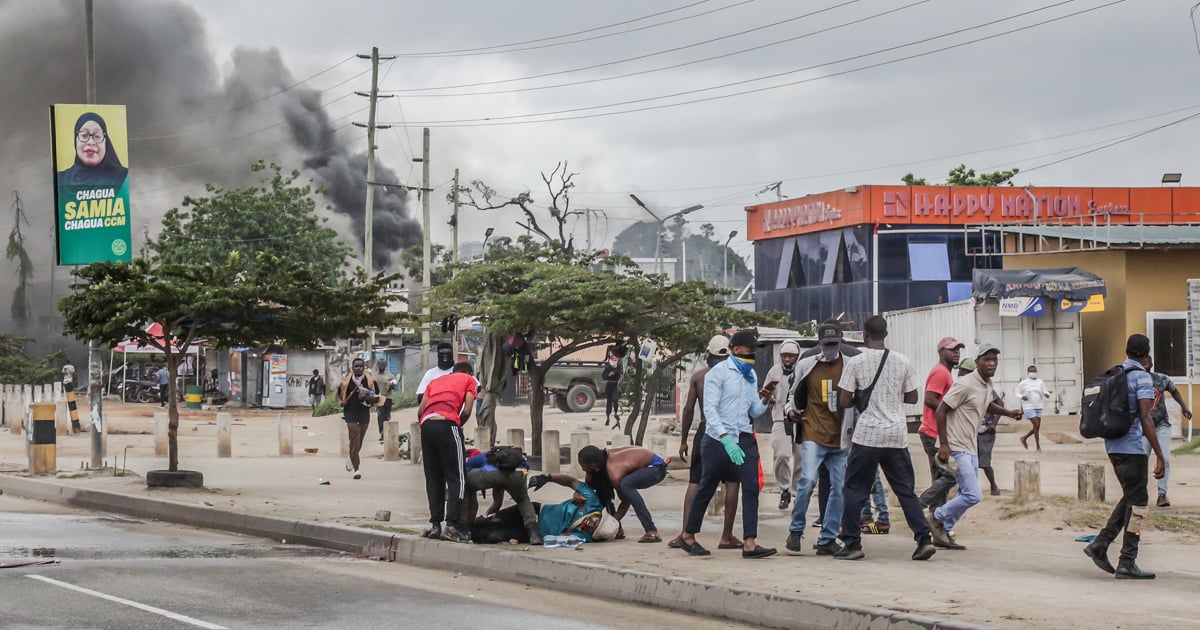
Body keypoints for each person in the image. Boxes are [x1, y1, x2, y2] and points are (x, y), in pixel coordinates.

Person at [835, 315, 935, 562]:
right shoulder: (902, 361)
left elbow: (844, 401)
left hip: (868, 434)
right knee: (904, 490)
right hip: (896, 435)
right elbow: (912, 397)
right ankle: (923, 539)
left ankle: (852, 543)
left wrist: (863, 394)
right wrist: (890, 395)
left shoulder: (856, 362)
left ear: (865, 335)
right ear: (885, 334)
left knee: (855, 489)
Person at [678, 329, 777, 559]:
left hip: (743, 436)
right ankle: (688, 535)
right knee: (707, 486)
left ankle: (750, 542)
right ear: (736, 350)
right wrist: (725, 439)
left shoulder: (750, 375)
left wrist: (765, 399)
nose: (753, 353)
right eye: (749, 349)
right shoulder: (718, 373)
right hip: (717, 439)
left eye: (755, 350)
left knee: (751, 487)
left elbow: (753, 410)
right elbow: (710, 409)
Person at [1083, 334, 1166, 580]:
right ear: (1146, 353)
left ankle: (1100, 544)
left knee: (1132, 497)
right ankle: (1127, 560)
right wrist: (1160, 455)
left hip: (1113, 445)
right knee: (1139, 503)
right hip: (1131, 448)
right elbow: (1146, 417)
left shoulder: (1117, 374)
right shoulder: (1141, 377)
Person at [928, 344, 1022, 549]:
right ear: (977, 361)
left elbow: (986, 404)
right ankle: (936, 517)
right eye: (987, 359)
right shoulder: (965, 384)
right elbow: (941, 410)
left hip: (970, 446)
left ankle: (942, 530)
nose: (991, 363)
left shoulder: (986, 385)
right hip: (956, 446)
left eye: (994, 359)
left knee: (965, 494)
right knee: (973, 495)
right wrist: (944, 444)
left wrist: (1008, 413)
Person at [667, 335, 744, 551]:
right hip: (730, 432)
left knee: (696, 483)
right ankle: (726, 536)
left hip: (707, 432)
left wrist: (684, 440)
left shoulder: (700, 377)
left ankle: (686, 532)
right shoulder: (736, 375)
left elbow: (689, 408)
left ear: (708, 354)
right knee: (732, 483)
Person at [782, 321, 852, 556]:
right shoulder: (806, 366)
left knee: (839, 487)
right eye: (827, 344)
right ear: (820, 344)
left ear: (840, 342)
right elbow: (792, 395)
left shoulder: (850, 366)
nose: (831, 348)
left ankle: (827, 538)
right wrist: (791, 411)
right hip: (813, 432)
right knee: (808, 480)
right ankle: (796, 529)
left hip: (840, 436)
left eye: (835, 343)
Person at [418, 361, 477, 543]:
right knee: (457, 477)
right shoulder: (470, 380)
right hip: (447, 424)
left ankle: (435, 525)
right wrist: (456, 425)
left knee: (434, 477)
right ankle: (451, 526)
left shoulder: (436, 381)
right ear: (468, 372)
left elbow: (421, 410)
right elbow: (467, 410)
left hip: (426, 425)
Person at [471, 473, 617, 545]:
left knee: (489, 536)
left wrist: (566, 536)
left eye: (595, 530)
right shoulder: (591, 501)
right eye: (597, 522)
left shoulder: (585, 537)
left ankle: (472, 533)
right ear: (600, 515)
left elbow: (559, 538)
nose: (592, 525)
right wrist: (547, 477)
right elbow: (570, 481)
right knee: (493, 519)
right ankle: (466, 526)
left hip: (534, 533)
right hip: (537, 511)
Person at [578, 445, 669, 543]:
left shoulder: (614, 472)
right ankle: (618, 530)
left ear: (593, 465)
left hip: (656, 468)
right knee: (602, 488)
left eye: (583, 466)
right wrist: (579, 492)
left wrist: (611, 523)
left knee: (626, 485)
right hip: (644, 467)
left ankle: (651, 530)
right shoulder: (602, 458)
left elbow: (625, 502)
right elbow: (591, 483)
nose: (582, 469)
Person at [918, 337, 963, 510]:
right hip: (932, 433)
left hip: (935, 432)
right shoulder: (941, 372)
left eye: (958, 349)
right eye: (952, 349)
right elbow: (930, 399)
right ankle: (919, 504)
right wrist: (948, 410)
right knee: (951, 476)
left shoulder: (945, 372)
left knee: (939, 479)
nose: (957, 352)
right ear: (941, 352)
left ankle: (936, 519)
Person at [1140, 355, 1191, 508]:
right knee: (1141, 461)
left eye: (1145, 363)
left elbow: (1174, 390)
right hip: (1143, 429)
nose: (1143, 366)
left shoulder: (1160, 379)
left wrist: (1184, 406)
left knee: (1165, 459)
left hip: (1161, 425)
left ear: (1150, 364)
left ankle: (1162, 494)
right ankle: (1140, 494)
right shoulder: (1136, 381)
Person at [462, 446, 541, 545]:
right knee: (523, 500)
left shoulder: (473, 460)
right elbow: (497, 502)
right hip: (521, 471)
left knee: (465, 485)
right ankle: (534, 534)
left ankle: (463, 527)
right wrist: (486, 517)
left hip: (493, 473)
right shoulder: (505, 458)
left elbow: (462, 477)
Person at [957, 358, 1004, 497]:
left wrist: (993, 424)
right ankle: (971, 490)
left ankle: (993, 485)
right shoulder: (964, 386)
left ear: (968, 372)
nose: (959, 373)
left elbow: (999, 403)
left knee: (984, 462)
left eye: (961, 371)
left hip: (985, 431)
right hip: (971, 431)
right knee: (970, 461)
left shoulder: (983, 387)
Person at [766, 340, 804, 511]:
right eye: (784, 356)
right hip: (780, 418)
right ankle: (784, 489)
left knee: (801, 458)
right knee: (781, 454)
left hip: (800, 419)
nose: (787, 359)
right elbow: (765, 393)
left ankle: (796, 492)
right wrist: (769, 398)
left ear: (797, 356)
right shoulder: (774, 371)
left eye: (791, 356)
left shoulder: (803, 370)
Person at [337, 358, 383, 480]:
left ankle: (352, 455)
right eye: (356, 366)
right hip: (350, 413)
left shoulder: (370, 380)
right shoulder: (346, 380)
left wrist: (366, 397)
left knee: (359, 441)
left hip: (364, 412)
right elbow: (338, 395)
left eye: (360, 366)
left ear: (364, 367)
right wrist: (341, 402)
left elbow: (377, 398)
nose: (358, 368)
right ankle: (356, 469)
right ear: (352, 368)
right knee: (355, 434)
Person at [57, 112, 129, 189]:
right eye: (84, 135)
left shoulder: (123, 177)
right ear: (75, 140)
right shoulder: (60, 179)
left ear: (106, 141)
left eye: (97, 136)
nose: (91, 142)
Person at [1015, 364, 1053, 452]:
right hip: (1028, 407)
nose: (1033, 373)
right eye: (1031, 371)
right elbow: (1017, 392)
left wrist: (1047, 394)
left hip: (1038, 406)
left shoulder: (1040, 382)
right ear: (1028, 373)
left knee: (1037, 427)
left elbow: (1045, 391)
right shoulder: (1024, 383)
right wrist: (1021, 396)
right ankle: (1035, 445)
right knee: (1036, 424)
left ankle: (1027, 440)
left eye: (1034, 371)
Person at [602, 354, 622, 429]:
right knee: (609, 401)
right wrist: (608, 375)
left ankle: (616, 413)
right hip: (609, 385)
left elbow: (620, 373)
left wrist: (615, 373)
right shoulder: (608, 368)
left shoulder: (619, 367)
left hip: (616, 385)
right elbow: (603, 376)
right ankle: (607, 418)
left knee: (615, 399)